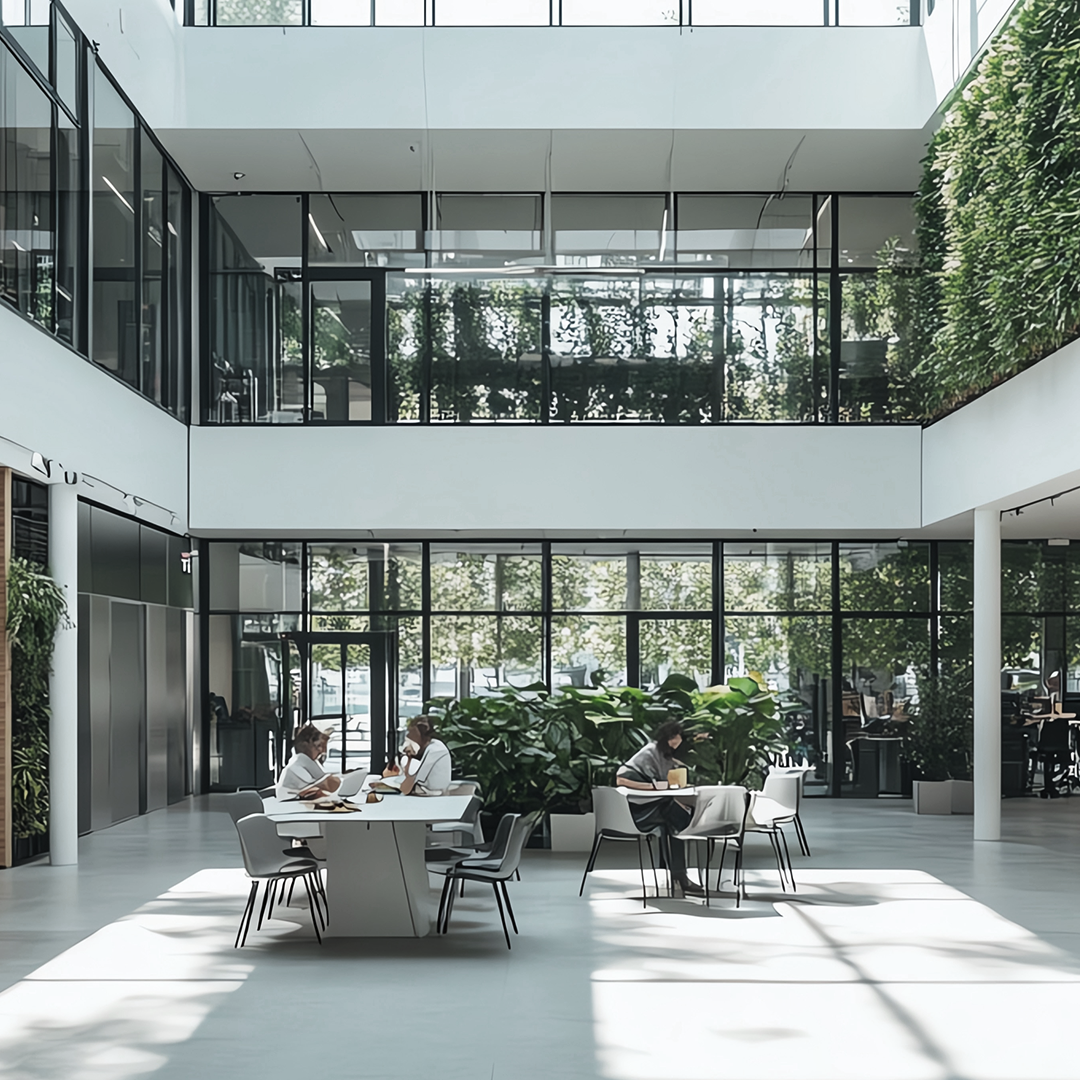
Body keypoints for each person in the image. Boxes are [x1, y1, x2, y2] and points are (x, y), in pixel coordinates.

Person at [617, 720, 705, 897]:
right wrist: (652, 787)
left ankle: (678, 875)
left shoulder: (667, 757)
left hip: (654, 805)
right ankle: (680, 874)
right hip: (637, 810)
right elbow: (621, 778)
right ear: (665, 738)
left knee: (672, 820)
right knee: (676, 817)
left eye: (678, 737)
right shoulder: (650, 752)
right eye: (673, 737)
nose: (676, 740)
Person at [382, 716, 452, 796]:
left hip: (433, 793)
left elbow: (411, 781)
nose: (408, 736)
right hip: (425, 791)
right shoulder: (428, 747)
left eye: (411, 733)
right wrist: (409, 757)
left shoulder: (436, 750)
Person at [276, 723, 342, 800]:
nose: (323, 751)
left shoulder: (296, 760)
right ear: (307, 744)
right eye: (319, 746)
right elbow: (331, 785)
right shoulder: (303, 759)